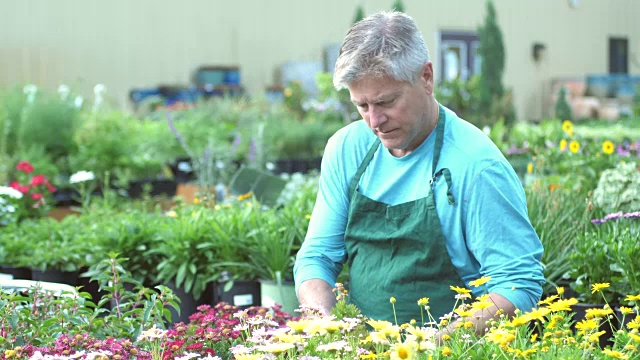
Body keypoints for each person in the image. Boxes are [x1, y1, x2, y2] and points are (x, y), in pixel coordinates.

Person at [293, 10, 544, 330]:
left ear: (426, 77)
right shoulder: (347, 149)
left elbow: (517, 284)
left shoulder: (477, 167)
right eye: (362, 106)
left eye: (386, 102)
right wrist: (328, 328)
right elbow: (316, 257)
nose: (374, 121)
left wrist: (439, 344)